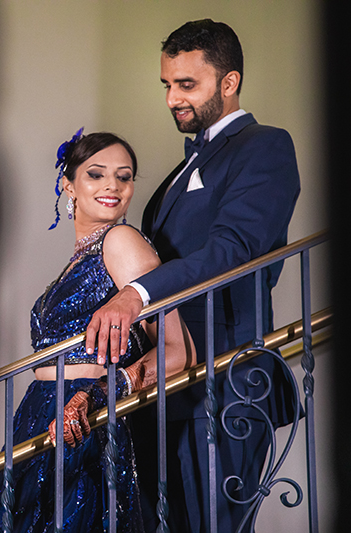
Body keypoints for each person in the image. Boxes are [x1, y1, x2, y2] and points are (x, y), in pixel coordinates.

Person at [82, 20, 301, 531]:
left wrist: (137, 294)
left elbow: (234, 247)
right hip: (166, 391)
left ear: (229, 82)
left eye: (186, 85)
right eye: (167, 84)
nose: (172, 99)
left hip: (224, 385)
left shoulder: (265, 146)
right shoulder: (177, 174)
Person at [0, 130, 193, 533]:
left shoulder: (122, 241)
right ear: (68, 184)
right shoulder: (78, 259)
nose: (112, 186)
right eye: (96, 174)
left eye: (124, 177)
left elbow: (178, 351)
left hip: (83, 417)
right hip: (38, 412)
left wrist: (101, 395)